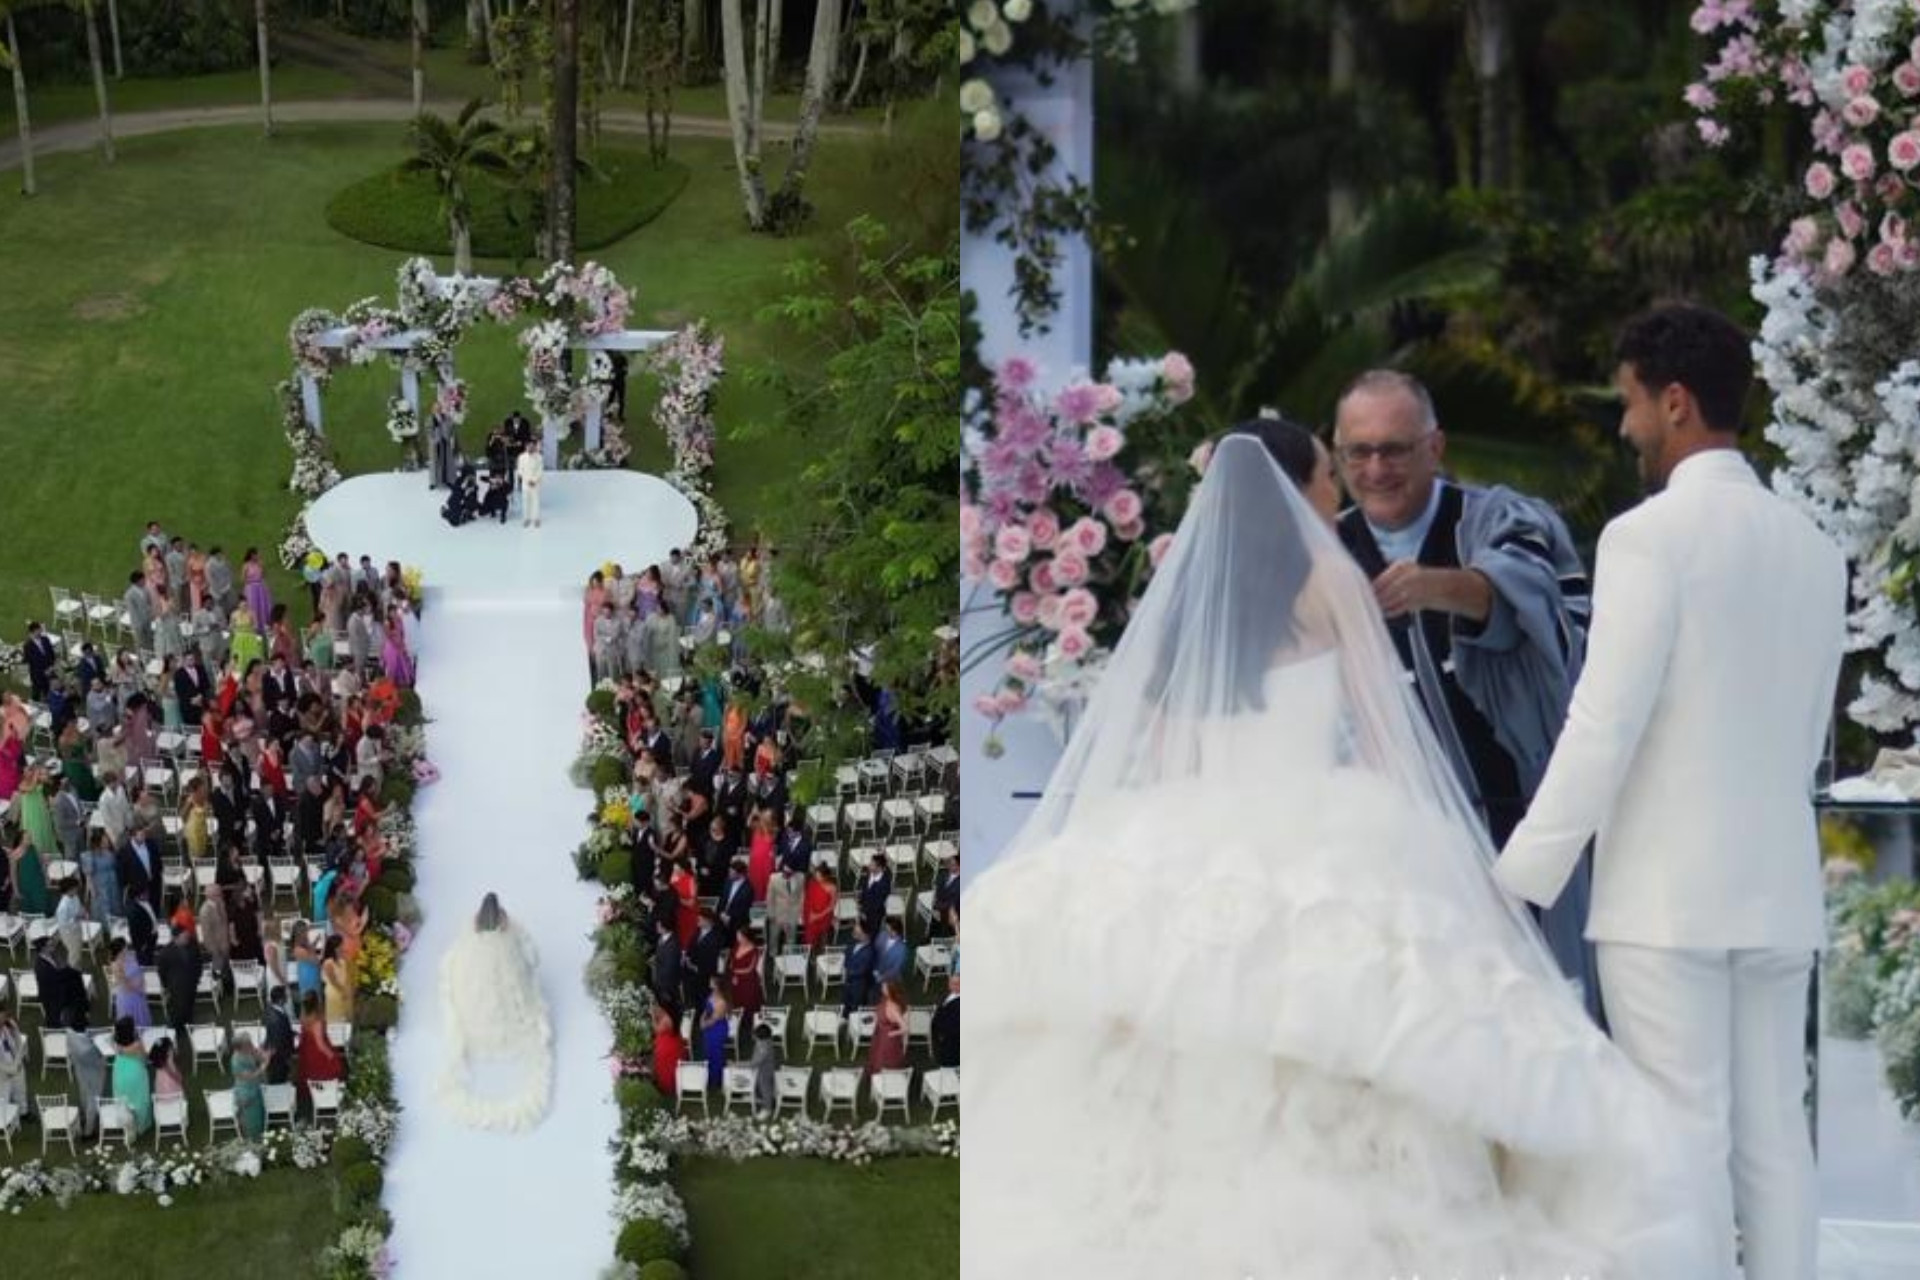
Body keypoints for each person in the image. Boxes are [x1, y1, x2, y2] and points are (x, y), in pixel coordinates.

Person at [960, 435, 1716, 1279]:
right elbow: (1387, 732)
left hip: (1196, 822)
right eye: (1327, 471)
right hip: (1323, 824)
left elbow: (1163, 748)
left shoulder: (1182, 602)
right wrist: (1432, 849)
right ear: (1298, 488)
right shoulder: (1330, 585)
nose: (1337, 490)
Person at [1494, 306, 1847, 1280]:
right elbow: (1809, 731)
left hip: (1666, 895)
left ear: (1677, 401)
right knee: (1777, 1139)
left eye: (1631, 403)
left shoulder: (1645, 538)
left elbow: (1603, 723)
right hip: (1777, 884)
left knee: (1683, 1136)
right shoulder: (1816, 547)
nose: (1624, 427)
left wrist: (1523, 871)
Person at [1328, 373, 1601, 1018]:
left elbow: (1539, 601)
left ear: (1436, 446)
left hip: (1507, 826)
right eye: (1358, 452)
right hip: (1379, 851)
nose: (1376, 469)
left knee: (1526, 1016)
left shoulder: (1496, 517)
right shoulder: (1323, 546)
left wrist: (1441, 589)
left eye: (1395, 449)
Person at [437, 892, 553, 1131]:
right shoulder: (511, 934)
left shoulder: (469, 935)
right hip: (511, 1003)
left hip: (474, 1003)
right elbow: (533, 958)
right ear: (501, 916)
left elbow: (455, 957)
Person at [66, 1006, 108, 1138]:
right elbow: (97, 1059)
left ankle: (84, 1116)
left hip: (79, 1068)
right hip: (94, 1072)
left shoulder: (69, 1033)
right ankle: (89, 1131)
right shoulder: (88, 1046)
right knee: (93, 1099)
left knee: (83, 1092)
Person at [866, 979, 908, 1076]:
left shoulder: (893, 1008)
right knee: (876, 1055)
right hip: (880, 1033)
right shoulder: (885, 999)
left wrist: (892, 1033)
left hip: (887, 1040)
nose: (882, 988)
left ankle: (883, 1080)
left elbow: (905, 1028)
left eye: (884, 987)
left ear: (890, 990)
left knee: (884, 1060)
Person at [699, 976, 731, 1092]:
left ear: (717, 986)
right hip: (710, 1025)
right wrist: (702, 1018)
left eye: (712, 982)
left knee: (715, 1054)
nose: (709, 984)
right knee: (708, 1052)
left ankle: (716, 1080)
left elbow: (713, 1020)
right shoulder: (712, 994)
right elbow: (707, 1011)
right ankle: (709, 1076)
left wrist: (702, 1024)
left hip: (717, 1029)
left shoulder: (721, 1003)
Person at [653, 1005, 686, 1097]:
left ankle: (668, 1088)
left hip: (670, 1046)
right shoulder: (667, 1015)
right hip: (670, 1041)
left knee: (663, 1060)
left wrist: (653, 1017)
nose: (657, 1009)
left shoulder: (667, 1018)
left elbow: (657, 1030)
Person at [749, 1021, 781, 1117]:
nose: (753, 1037)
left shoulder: (764, 1050)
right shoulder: (765, 1040)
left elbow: (753, 1064)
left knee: (765, 1088)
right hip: (763, 1068)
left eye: (755, 1036)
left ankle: (767, 1109)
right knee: (760, 1086)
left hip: (764, 1071)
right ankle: (760, 1098)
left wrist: (737, 1064)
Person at [932, 975, 959, 1068]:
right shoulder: (948, 994)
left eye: (956, 984)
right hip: (941, 1041)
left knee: (948, 1067)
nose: (953, 986)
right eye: (951, 983)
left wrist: (942, 1034)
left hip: (951, 1042)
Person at [516, 439, 545, 528]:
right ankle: (526, 518)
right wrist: (528, 480)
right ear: (526, 446)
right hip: (525, 483)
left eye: (532, 445)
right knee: (526, 501)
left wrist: (534, 480)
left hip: (536, 483)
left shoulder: (539, 457)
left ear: (535, 446)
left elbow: (540, 471)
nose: (530, 447)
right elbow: (520, 471)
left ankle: (536, 519)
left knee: (536, 500)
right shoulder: (521, 457)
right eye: (528, 445)